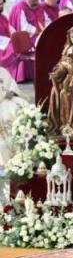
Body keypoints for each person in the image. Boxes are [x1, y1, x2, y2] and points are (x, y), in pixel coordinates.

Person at [0, 65, 29, 203]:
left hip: (8, 101)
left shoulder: (2, 71)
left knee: (22, 106)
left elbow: (12, 84)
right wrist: (3, 94)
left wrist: (12, 92)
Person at [0, 0, 28, 83]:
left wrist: (16, 37)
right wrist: (9, 41)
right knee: (14, 48)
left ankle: (20, 76)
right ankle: (11, 75)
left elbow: (11, 29)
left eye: (2, 4)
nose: (1, 6)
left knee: (20, 44)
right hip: (2, 44)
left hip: (6, 41)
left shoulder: (3, 17)